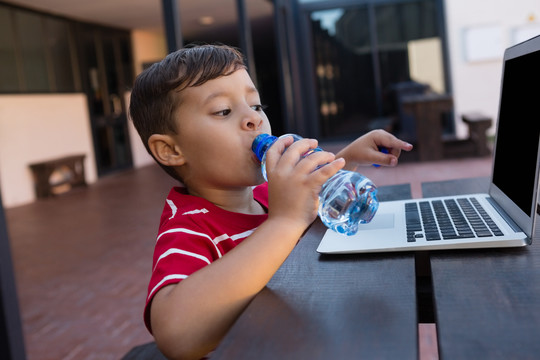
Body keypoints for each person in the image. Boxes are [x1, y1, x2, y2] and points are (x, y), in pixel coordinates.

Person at [129, 43, 413, 360]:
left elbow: (317, 208)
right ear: (171, 150)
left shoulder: (268, 195)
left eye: (257, 106)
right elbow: (176, 335)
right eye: (223, 111)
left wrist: (346, 160)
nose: (253, 119)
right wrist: (284, 222)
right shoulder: (188, 228)